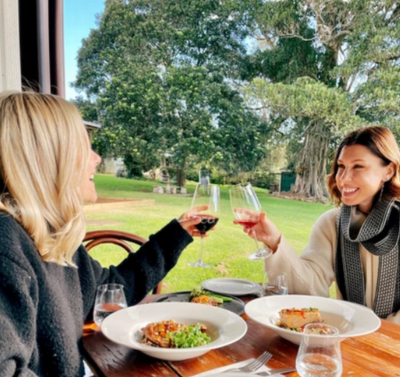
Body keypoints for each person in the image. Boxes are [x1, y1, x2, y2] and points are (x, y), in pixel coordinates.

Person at [0, 91, 204, 377]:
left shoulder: (52, 236)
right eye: (84, 147)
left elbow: (110, 292)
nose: (96, 159)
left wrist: (175, 236)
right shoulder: (7, 246)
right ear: (48, 159)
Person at [238, 126, 400, 323]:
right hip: (350, 337)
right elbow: (308, 290)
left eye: (358, 166)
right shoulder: (332, 223)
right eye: (341, 166)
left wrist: (376, 333)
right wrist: (274, 241)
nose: (343, 178)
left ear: (388, 170)